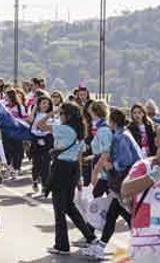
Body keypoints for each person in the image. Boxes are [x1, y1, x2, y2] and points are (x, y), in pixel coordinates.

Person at [34, 101, 98, 254]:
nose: (59, 116)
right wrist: (79, 178)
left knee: (59, 208)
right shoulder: (81, 130)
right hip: (73, 169)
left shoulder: (63, 129)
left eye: (61, 114)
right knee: (70, 206)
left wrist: (52, 112)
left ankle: (62, 245)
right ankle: (90, 237)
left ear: (67, 115)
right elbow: (79, 155)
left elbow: (39, 124)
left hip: (61, 168)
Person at [81, 106, 143, 260]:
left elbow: (125, 160)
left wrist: (111, 165)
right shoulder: (123, 134)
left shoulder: (120, 137)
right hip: (127, 179)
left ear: (113, 122)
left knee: (124, 215)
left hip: (125, 180)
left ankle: (138, 245)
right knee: (115, 214)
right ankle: (102, 247)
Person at [121, 123, 160, 262]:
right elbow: (125, 190)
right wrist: (159, 173)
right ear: (156, 140)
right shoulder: (144, 166)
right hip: (145, 245)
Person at [28, 93, 54, 195]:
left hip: (47, 141)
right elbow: (29, 120)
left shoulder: (51, 115)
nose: (46, 105)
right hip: (36, 141)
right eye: (43, 103)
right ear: (39, 104)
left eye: (48, 103)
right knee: (36, 163)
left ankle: (44, 186)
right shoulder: (36, 115)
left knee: (46, 164)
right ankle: (35, 180)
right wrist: (34, 108)